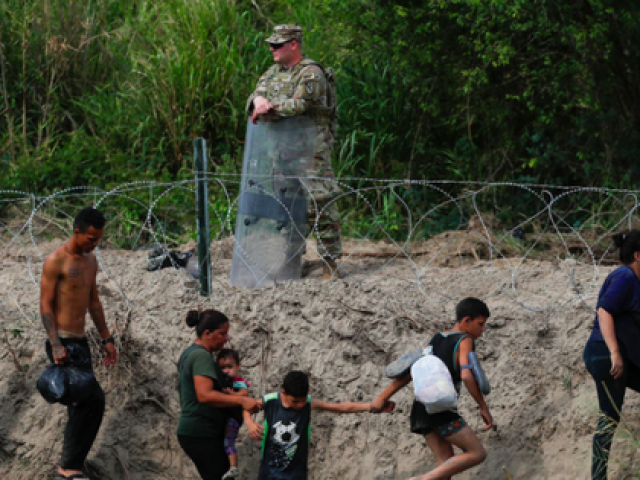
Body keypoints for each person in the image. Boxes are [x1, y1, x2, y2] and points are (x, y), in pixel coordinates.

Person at [246, 24, 342, 281]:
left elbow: (302, 104)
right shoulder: (272, 73)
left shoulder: (311, 73)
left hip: (311, 152)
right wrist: (257, 101)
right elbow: (256, 94)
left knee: (320, 204)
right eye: (271, 44)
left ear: (293, 45)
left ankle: (329, 263)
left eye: (277, 45)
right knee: (287, 207)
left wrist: (269, 106)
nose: (272, 49)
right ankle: (291, 260)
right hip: (282, 151)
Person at [371, 297, 493, 480]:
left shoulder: (436, 338)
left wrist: (381, 398)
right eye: (480, 324)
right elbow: (467, 376)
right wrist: (483, 407)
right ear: (466, 320)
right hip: (440, 410)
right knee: (477, 453)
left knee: (445, 468)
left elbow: (413, 370)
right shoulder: (465, 340)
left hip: (421, 411)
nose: (482, 330)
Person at [39, 207, 117, 480]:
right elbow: (46, 306)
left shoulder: (90, 261)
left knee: (82, 405)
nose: (95, 244)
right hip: (62, 343)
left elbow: (94, 302)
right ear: (77, 232)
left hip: (81, 344)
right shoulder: (56, 260)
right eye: (91, 238)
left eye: (98, 240)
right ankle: (68, 468)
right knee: (92, 400)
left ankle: (74, 465)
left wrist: (107, 338)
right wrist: (55, 344)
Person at [245, 370, 394, 480]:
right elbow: (246, 408)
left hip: (296, 473)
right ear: (283, 393)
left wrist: (370, 407)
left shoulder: (308, 404)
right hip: (269, 471)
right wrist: (250, 423)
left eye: (303, 400)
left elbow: (341, 407)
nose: (300, 405)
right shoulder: (271, 401)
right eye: (295, 401)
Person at [177, 310, 261, 480]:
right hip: (201, 432)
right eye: (222, 333)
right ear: (208, 333)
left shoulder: (189, 353)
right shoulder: (202, 356)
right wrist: (242, 400)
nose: (227, 338)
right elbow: (205, 395)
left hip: (197, 432)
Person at [583, 231, 640, 480]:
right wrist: (614, 353)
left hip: (621, 357)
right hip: (606, 356)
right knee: (609, 418)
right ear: (638, 256)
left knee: (610, 417)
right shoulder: (625, 276)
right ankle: (599, 477)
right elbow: (604, 310)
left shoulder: (635, 282)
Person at [216, 348, 251, 480]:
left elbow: (244, 393)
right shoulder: (223, 381)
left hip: (233, 417)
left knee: (228, 441)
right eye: (222, 367)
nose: (226, 370)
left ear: (238, 366)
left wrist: (232, 394)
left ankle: (234, 467)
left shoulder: (237, 381)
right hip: (226, 417)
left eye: (230, 367)